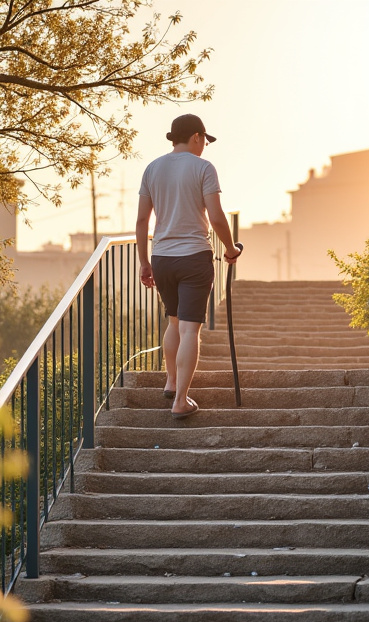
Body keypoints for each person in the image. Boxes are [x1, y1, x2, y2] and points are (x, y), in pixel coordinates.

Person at [135, 114, 241, 419]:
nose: (205, 146)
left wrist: (144, 262)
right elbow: (217, 217)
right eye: (205, 140)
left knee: (174, 321)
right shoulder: (203, 168)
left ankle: (171, 381)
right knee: (191, 329)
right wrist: (231, 249)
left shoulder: (152, 168)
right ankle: (180, 400)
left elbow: (142, 220)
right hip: (194, 256)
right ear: (196, 137)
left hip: (162, 257)